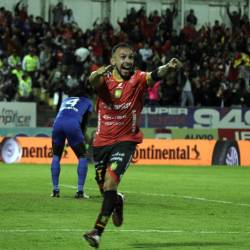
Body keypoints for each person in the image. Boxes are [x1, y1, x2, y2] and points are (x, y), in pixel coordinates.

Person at [83, 43, 182, 248]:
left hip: (126, 141)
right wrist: (97, 72)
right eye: (123, 57)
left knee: (110, 184)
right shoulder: (104, 80)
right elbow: (92, 81)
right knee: (105, 190)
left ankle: (97, 232)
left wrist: (169, 66)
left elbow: (155, 74)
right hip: (101, 142)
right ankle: (117, 201)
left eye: (130, 57)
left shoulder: (138, 79)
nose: (128, 61)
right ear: (113, 61)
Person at [50, 87, 93, 199]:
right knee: (82, 156)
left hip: (57, 124)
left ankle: (55, 190)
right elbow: (84, 123)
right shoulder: (88, 102)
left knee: (56, 155)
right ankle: (80, 191)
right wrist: (80, 137)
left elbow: (62, 113)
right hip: (73, 124)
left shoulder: (65, 100)